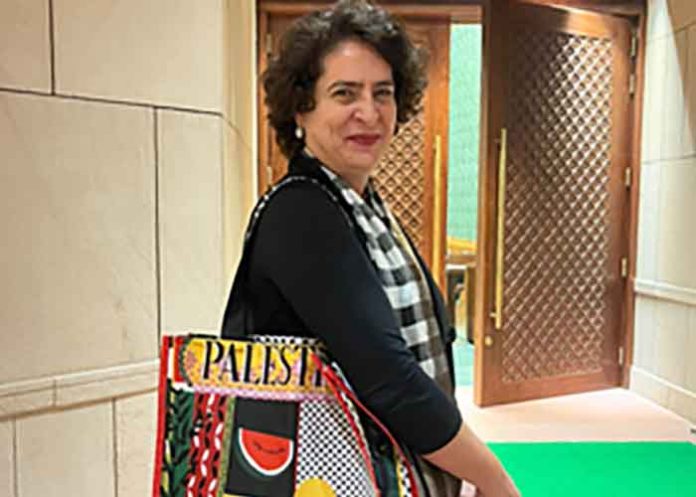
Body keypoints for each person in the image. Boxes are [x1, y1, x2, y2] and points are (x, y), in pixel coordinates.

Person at [222, 1, 520, 496]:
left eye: (383, 93)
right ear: (301, 108)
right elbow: (389, 380)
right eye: (344, 93)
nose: (369, 112)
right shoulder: (302, 213)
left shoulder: (363, 206)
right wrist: (494, 480)